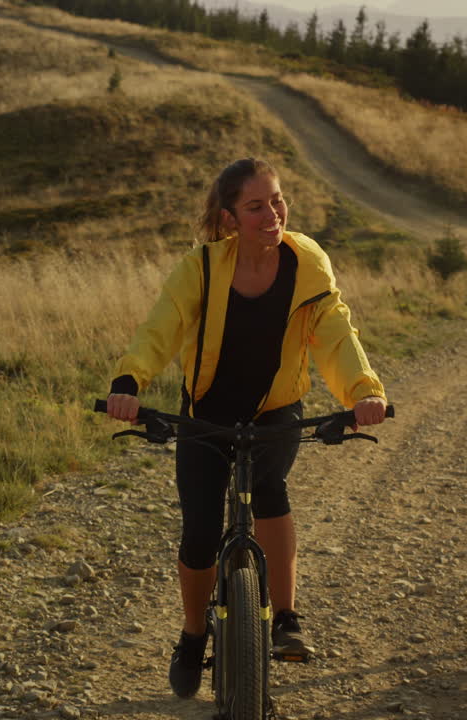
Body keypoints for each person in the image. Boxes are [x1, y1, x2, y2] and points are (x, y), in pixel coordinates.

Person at [104, 157, 388, 697]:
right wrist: (129, 381)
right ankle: (192, 637)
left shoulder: (308, 263)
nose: (272, 213)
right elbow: (162, 326)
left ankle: (284, 617)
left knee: (270, 489)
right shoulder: (203, 268)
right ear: (231, 216)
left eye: (277, 200)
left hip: (276, 409)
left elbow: (336, 334)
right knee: (200, 530)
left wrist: (364, 392)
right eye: (256, 206)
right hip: (206, 413)